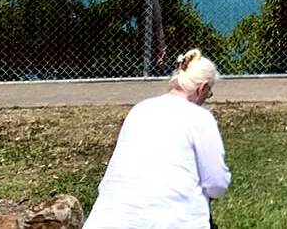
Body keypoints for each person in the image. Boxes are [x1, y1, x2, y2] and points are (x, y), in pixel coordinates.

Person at [84, 49, 231, 229]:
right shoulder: (200, 118)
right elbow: (216, 184)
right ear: (202, 88)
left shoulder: (140, 110)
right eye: (208, 94)